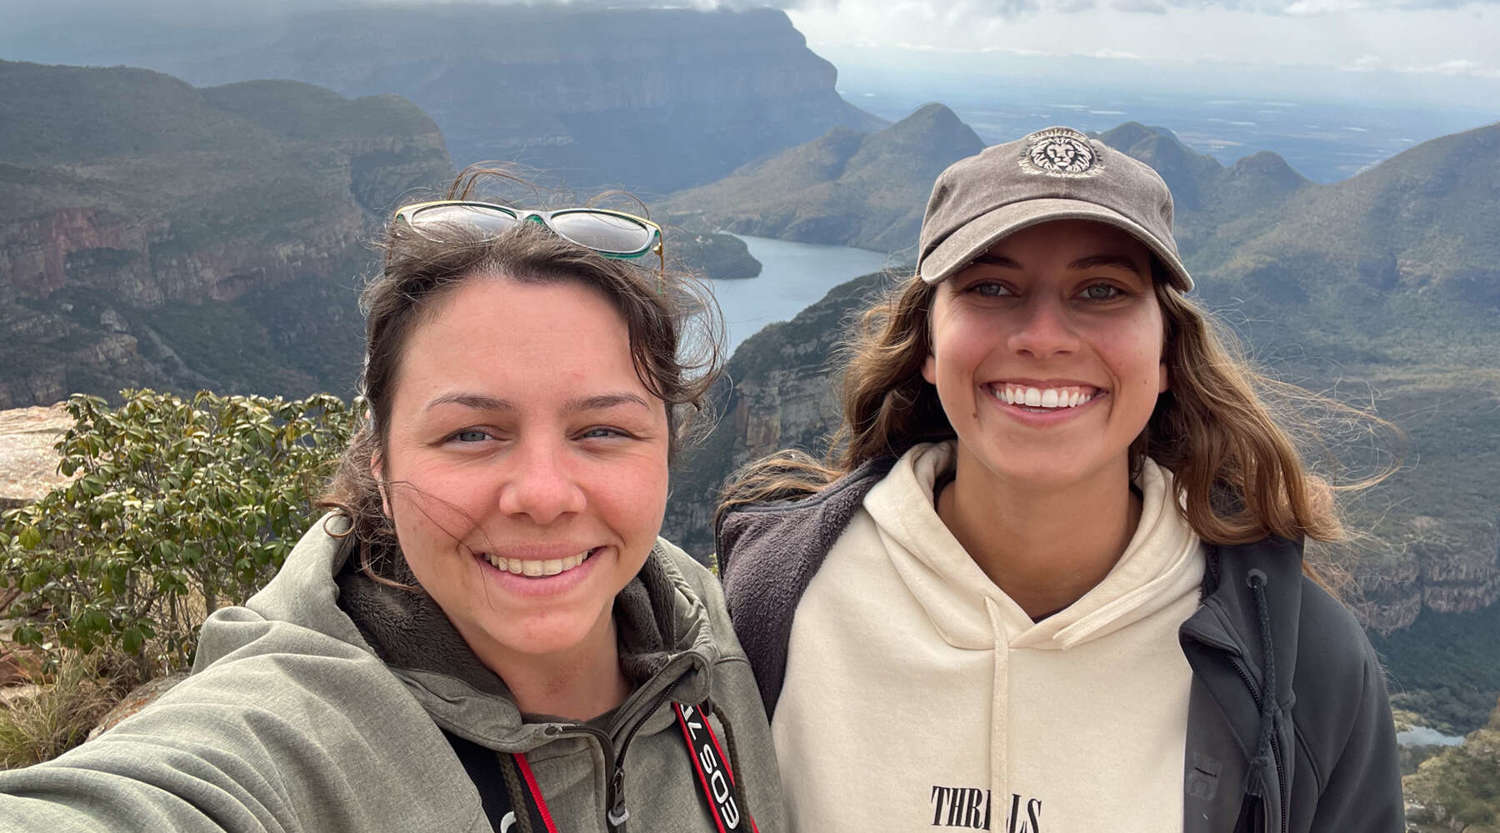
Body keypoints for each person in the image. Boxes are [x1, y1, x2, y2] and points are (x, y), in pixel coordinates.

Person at [0, 169, 785, 833]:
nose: (544, 495)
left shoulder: (697, 621)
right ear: (379, 456)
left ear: (667, 452)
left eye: (604, 430)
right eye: (474, 433)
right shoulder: (296, 735)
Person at [716, 127, 1402, 832]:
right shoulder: (777, 599)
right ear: (927, 344)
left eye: (1101, 290)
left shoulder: (1298, 665)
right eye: (991, 286)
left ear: (1166, 352)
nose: (1044, 335)